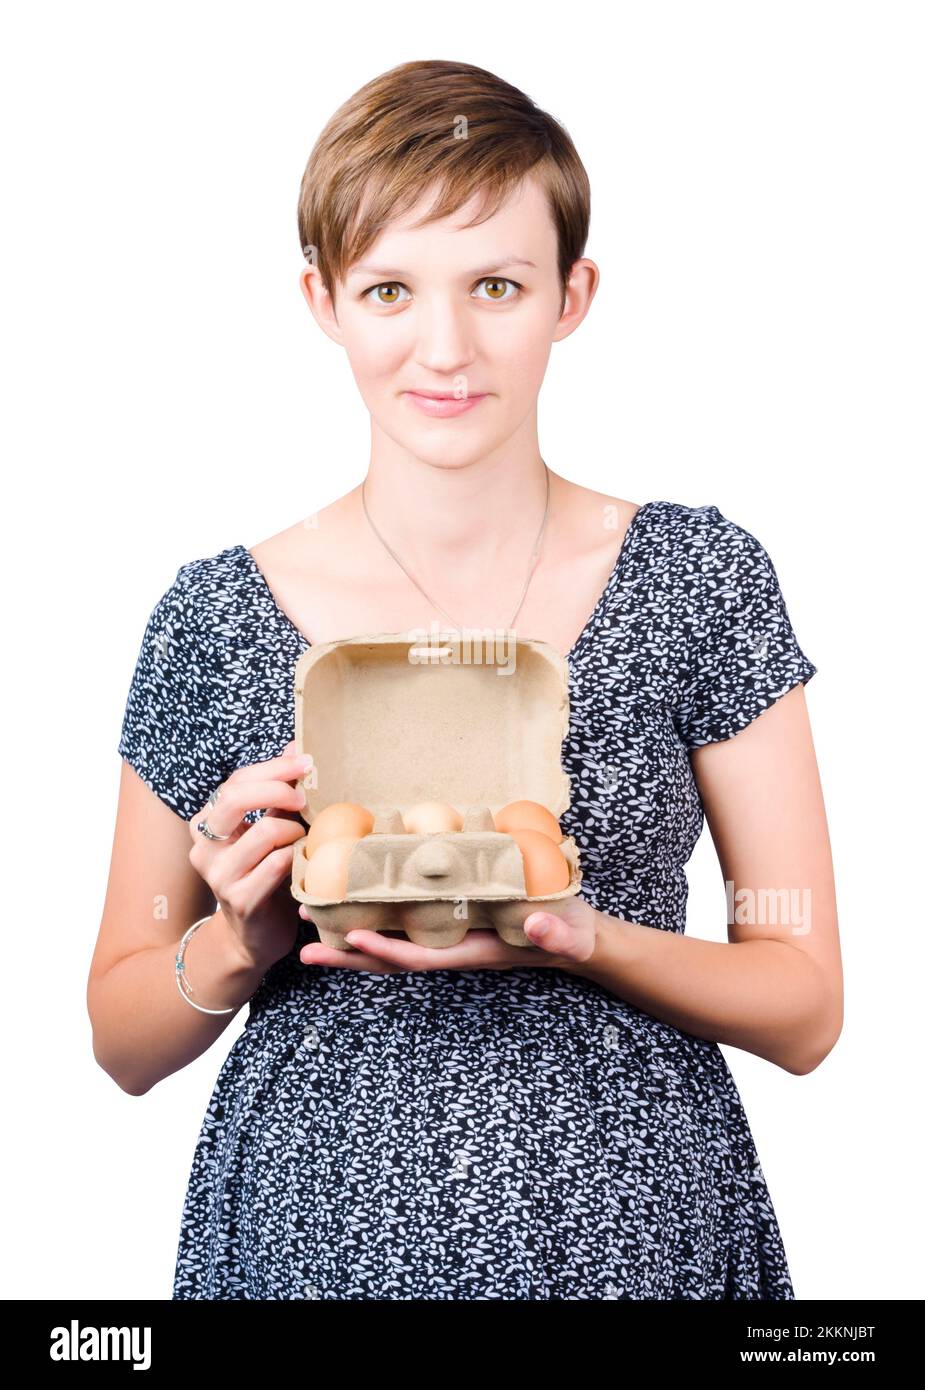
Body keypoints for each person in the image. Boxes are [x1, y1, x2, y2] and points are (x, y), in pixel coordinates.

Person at [87, 58, 842, 1301]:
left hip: (635, 1232)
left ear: (570, 293)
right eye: (391, 288)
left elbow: (803, 996)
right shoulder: (213, 618)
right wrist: (235, 940)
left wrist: (581, 937)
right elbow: (121, 1031)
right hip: (309, 1239)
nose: (444, 347)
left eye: (496, 284)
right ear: (325, 299)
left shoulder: (698, 576)